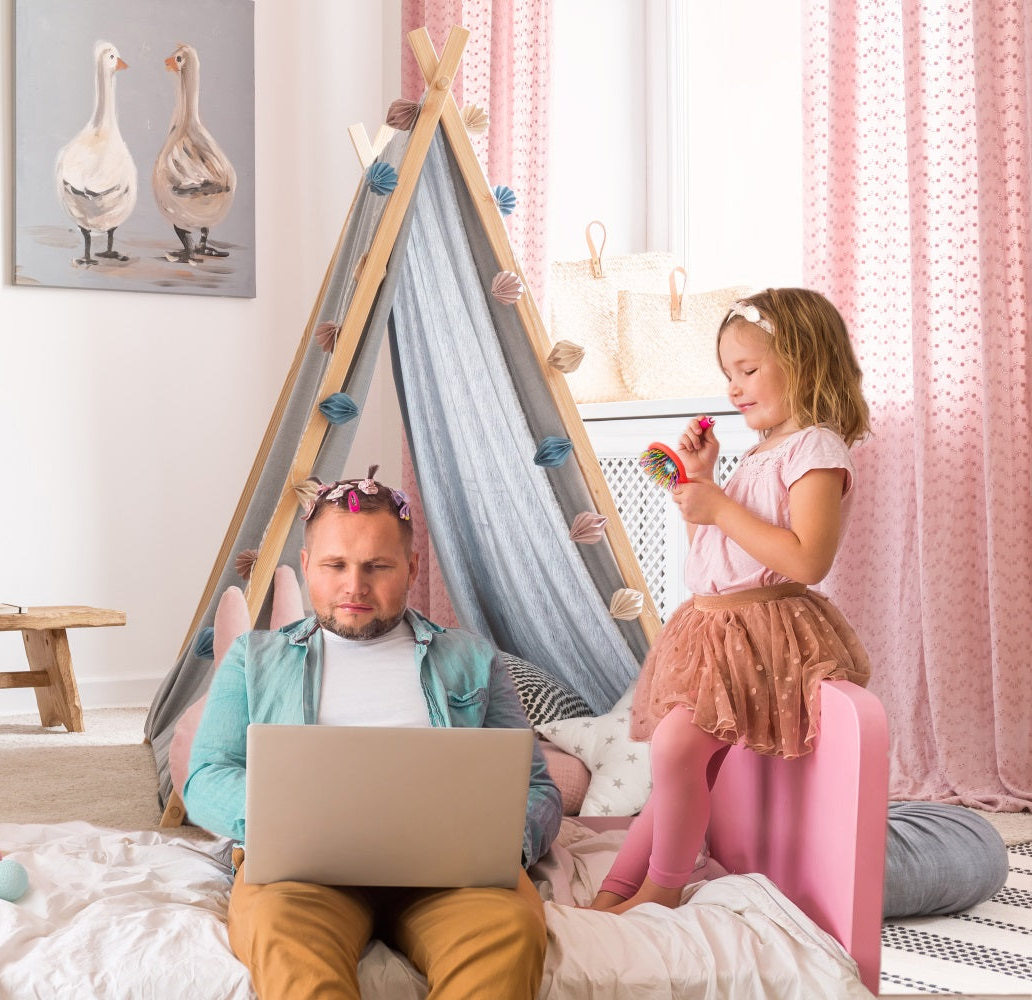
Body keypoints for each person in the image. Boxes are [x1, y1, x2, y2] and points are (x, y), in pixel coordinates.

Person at [184, 466, 562, 999]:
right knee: (284, 939)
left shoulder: (473, 658)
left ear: (411, 567)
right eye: (335, 565)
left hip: (453, 874)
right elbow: (204, 776)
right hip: (305, 874)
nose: (353, 586)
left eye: (376, 567)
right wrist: (284, 819)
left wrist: (505, 841)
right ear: (307, 566)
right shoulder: (255, 658)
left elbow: (537, 787)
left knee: (508, 933)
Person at [592, 288, 873, 915]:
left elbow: (805, 559)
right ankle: (619, 887)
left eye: (747, 370)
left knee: (677, 750)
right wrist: (702, 489)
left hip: (762, 631)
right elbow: (718, 556)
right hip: (713, 626)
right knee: (676, 757)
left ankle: (662, 889)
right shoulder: (759, 451)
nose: (734, 388)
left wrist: (718, 504)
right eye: (728, 374)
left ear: (803, 362)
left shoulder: (815, 448)